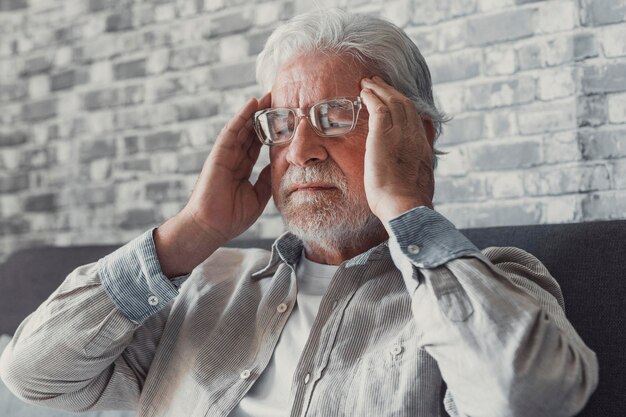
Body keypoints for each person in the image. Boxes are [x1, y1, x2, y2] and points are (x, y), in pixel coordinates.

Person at [0, 8, 598, 417]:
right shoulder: (202, 285)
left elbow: (527, 396)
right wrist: (194, 231)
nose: (302, 150)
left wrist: (407, 209)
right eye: (282, 125)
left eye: (338, 116)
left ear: (413, 136)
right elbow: (34, 373)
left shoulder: (491, 284)